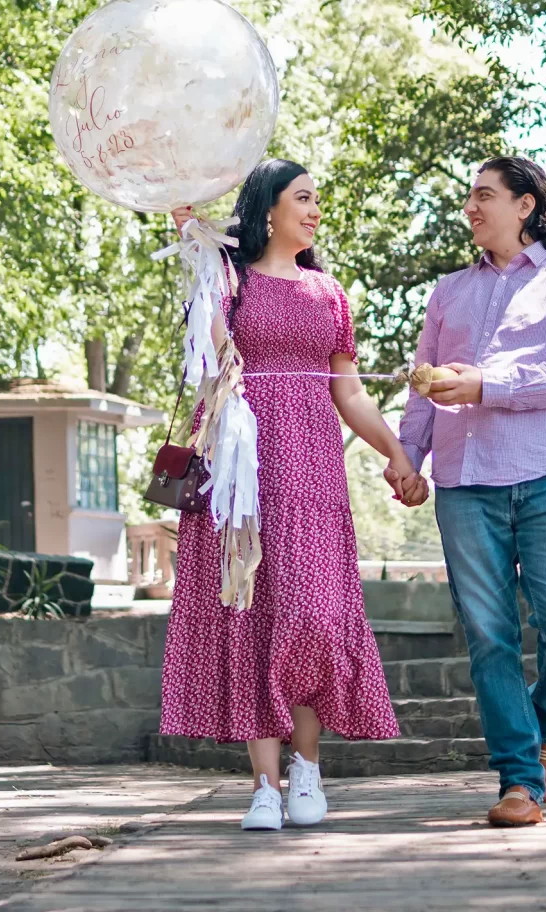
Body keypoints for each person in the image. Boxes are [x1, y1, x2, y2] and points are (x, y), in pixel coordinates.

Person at [161, 158, 425, 831]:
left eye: (316, 200)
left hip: (312, 472)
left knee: (313, 616)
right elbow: (212, 356)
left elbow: (350, 392)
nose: (314, 211)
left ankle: (307, 768)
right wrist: (200, 254)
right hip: (241, 470)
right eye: (302, 198)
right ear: (268, 209)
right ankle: (264, 786)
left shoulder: (328, 293)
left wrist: (396, 452)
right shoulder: (230, 281)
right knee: (250, 616)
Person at [389, 156, 546, 827]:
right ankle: (520, 780)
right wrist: (408, 458)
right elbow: (422, 386)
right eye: (470, 196)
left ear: (525, 205)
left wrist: (487, 385)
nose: (471, 207)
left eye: (484, 194)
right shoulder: (448, 292)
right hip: (463, 483)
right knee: (490, 635)